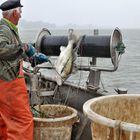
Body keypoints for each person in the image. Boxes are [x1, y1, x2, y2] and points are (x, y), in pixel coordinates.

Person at [0, 0, 49, 139]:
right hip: (9, 83)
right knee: (22, 122)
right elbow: (2, 49)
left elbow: (12, 51)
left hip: (5, 82)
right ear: (15, 12)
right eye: (20, 12)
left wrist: (30, 56)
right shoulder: (3, 29)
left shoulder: (8, 28)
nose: (21, 16)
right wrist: (25, 48)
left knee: (5, 121)